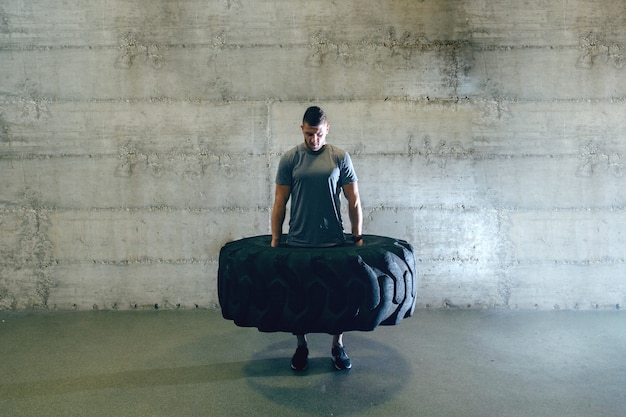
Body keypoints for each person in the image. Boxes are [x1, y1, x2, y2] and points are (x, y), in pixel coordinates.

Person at [271, 106, 363, 371]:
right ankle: (301, 346)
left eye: (319, 134)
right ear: (302, 129)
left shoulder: (340, 157)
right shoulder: (290, 159)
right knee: (299, 299)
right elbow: (280, 202)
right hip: (299, 240)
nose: (314, 140)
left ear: (327, 130)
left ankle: (338, 346)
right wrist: (276, 240)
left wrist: (356, 236)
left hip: (333, 239)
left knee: (339, 298)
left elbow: (354, 199)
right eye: (310, 134)